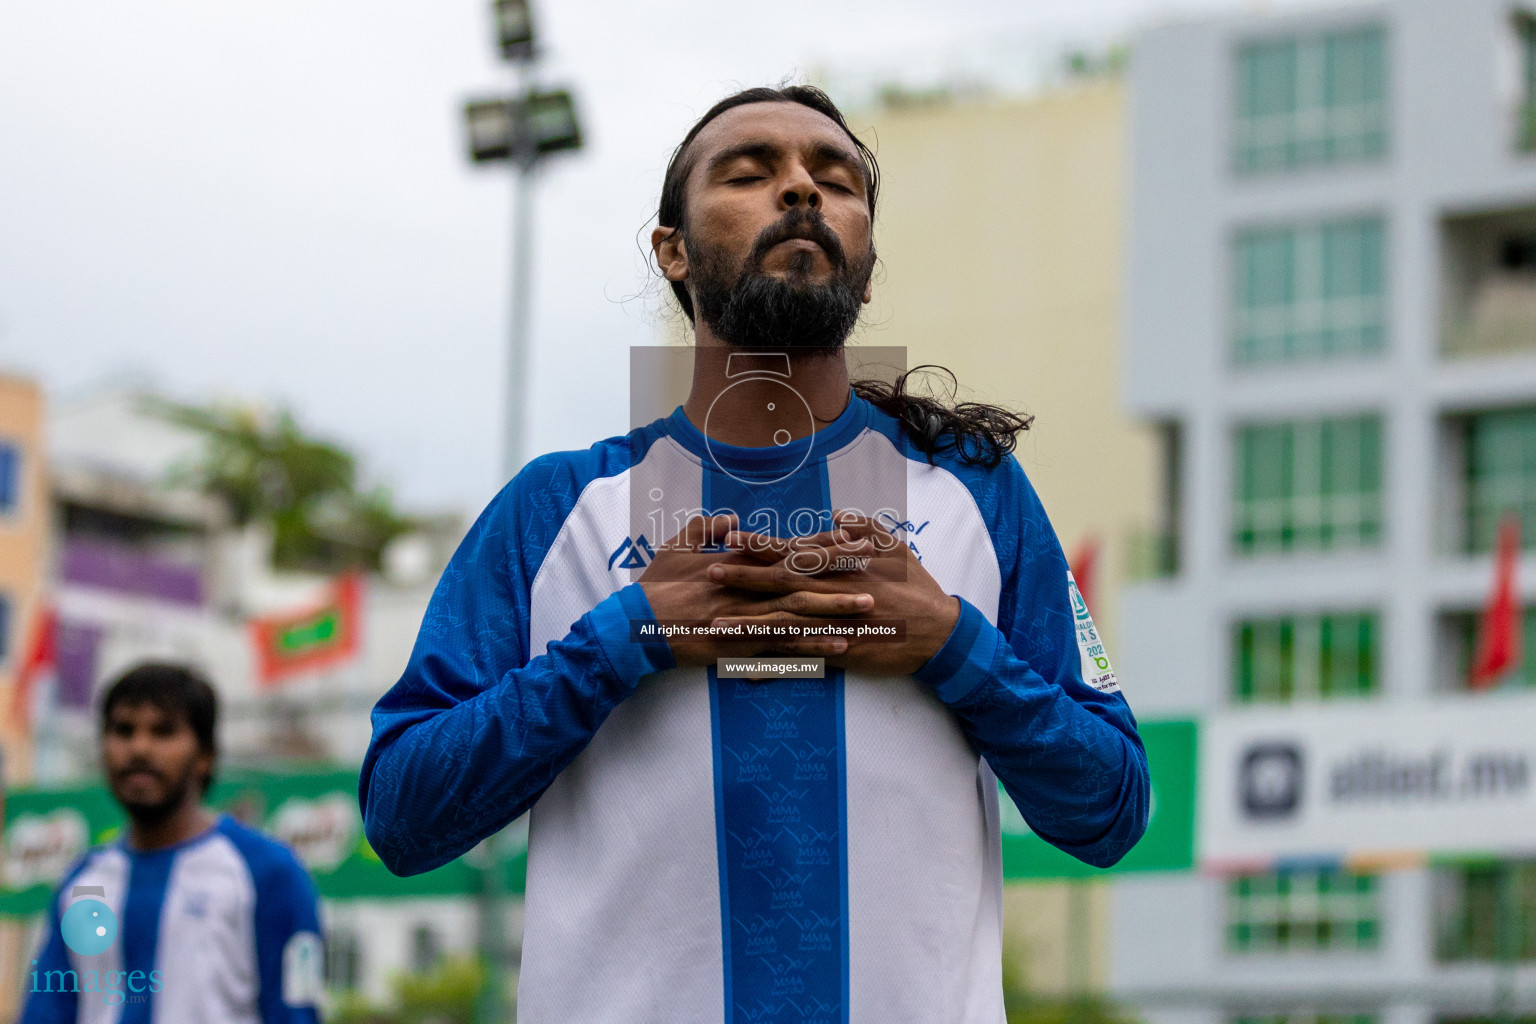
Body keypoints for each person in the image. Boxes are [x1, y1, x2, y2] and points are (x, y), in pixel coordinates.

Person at [360, 84, 1150, 1022]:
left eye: (836, 179)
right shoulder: (556, 509)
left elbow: (1112, 809)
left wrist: (953, 647)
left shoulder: (977, 495)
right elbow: (403, 817)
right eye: (750, 172)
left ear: (865, 262)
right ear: (674, 250)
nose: (802, 192)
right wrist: (627, 634)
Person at [21, 662, 324, 1024]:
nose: (139, 748)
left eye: (163, 732)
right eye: (123, 730)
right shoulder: (83, 884)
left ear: (206, 756)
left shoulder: (268, 872)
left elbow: (297, 1011)